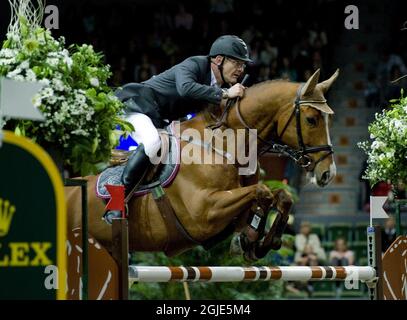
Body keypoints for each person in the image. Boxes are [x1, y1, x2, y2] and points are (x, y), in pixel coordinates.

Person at [104, 35, 251, 221]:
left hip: (159, 120)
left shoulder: (218, 84)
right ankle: (116, 204)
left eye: (243, 65)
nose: (241, 69)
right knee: (152, 142)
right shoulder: (195, 64)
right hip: (138, 105)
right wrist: (224, 94)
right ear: (219, 59)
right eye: (237, 62)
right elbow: (185, 88)